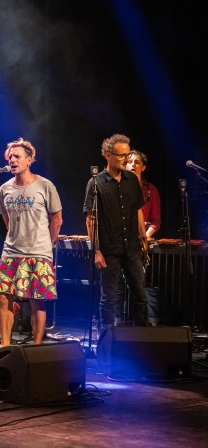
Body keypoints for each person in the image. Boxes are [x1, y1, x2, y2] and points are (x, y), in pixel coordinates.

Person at [0, 138, 62, 346]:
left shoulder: (45, 185)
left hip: (38, 252)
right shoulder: (4, 189)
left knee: (36, 301)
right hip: (11, 252)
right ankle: (5, 347)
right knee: (3, 298)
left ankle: (36, 348)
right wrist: (16, 237)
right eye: (10, 157)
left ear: (29, 160)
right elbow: (6, 219)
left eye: (17, 156)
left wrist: (46, 245)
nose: (12, 160)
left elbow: (57, 220)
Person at [84, 134, 148, 329]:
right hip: (109, 249)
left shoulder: (132, 180)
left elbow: (137, 210)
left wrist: (144, 238)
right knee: (109, 298)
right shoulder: (96, 183)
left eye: (127, 155)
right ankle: (107, 342)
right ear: (107, 155)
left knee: (140, 295)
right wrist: (96, 250)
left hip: (132, 248)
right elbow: (90, 219)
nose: (125, 160)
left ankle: (144, 340)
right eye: (121, 156)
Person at [126, 149, 162, 326]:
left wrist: (146, 236)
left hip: (142, 242)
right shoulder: (118, 187)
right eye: (129, 161)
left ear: (143, 167)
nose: (132, 164)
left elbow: (156, 220)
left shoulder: (151, 191)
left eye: (136, 162)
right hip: (123, 240)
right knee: (117, 286)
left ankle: (148, 326)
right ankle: (116, 325)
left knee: (142, 285)